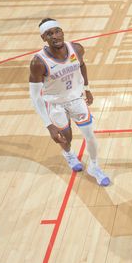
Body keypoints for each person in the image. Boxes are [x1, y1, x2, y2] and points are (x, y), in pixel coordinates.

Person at [28, 19, 110, 186]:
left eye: (57, 31)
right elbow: (35, 97)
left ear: (63, 32)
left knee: (90, 135)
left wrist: (87, 88)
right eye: (49, 34)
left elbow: (82, 65)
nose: (55, 36)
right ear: (44, 38)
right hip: (55, 104)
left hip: (76, 99)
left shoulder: (76, 49)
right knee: (66, 137)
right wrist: (48, 125)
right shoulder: (38, 62)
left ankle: (94, 167)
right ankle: (69, 154)